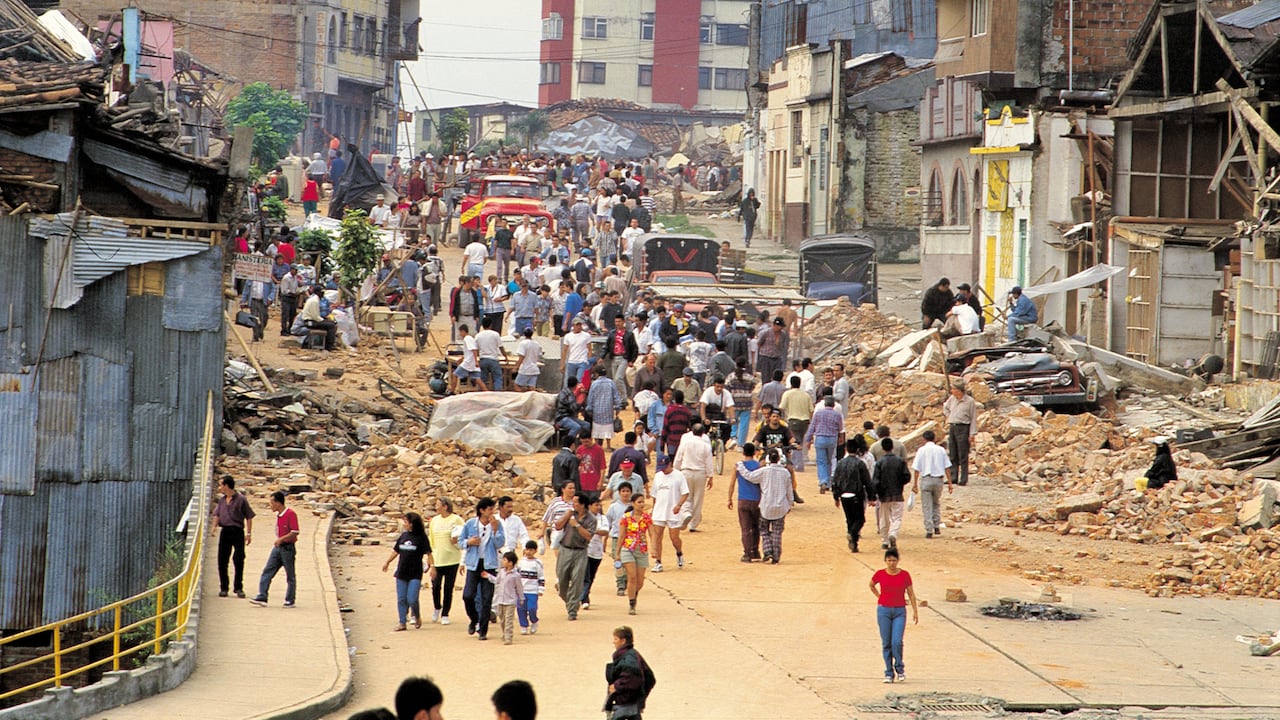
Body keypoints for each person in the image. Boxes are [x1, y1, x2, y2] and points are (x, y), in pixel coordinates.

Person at [735, 448, 795, 564]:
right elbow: (789, 490)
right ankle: (776, 555)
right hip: (780, 506)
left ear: (768, 459)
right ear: (778, 459)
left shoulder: (764, 471)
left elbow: (749, 476)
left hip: (766, 506)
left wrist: (740, 466)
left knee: (764, 530)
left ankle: (767, 551)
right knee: (777, 531)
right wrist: (790, 504)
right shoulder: (785, 473)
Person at [458, 497, 505, 640]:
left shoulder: (497, 524)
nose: (492, 512)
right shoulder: (470, 524)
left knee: (486, 598)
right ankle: (474, 619)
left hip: (489, 564)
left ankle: (483, 630)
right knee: (468, 595)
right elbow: (460, 542)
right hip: (474, 564)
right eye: (490, 509)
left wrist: (496, 530)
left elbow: (500, 543)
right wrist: (469, 542)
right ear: (482, 510)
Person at [870, 548, 918, 683]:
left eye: (894, 560)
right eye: (889, 560)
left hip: (899, 611)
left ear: (898, 561)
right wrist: (879, 596)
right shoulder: (880, 574)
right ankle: (888, 672)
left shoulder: (904, 575)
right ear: (885, 561)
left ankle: (900, 668)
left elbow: (911, 594)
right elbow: (871, 585)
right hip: (884, 610)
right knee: (886, 643)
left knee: (896, 641)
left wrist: (915, 610)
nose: (891, 563)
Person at [249, 491, 299, 608]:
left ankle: (290, 599)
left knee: (290, 575)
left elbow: (295, 532)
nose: (270, 506)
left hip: (287, 548)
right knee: (268, 570)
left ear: (278, 503)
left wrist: (281, 539)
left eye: (272, 503)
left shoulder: (290, 514)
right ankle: (262, 596)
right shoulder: (279, 515)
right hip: (278, 548)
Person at [382, 512, 431, 630]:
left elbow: (429, 553)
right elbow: (396, 550)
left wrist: (432, 566)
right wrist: (387, 562)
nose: (404, 524)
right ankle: (402, 622)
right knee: (401, 598)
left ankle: (416, 614)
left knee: (412, 598)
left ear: (412, 524)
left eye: (406, 522)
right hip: (402, 572)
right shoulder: (403, 536)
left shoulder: (421, 537)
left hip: (415, 572)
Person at [211, 475, 255, 598]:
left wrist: (249, 533)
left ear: (226, 486)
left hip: (237, 531)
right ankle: (224, 587)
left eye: (221, 485)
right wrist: (214, 527)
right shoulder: (222, 500)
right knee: (222, 560)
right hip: (225, 531)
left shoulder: (241, 499)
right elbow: (217, 514)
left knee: (239, 559)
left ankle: (238, 587)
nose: (220, 488)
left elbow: (249, 516)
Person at [555, 492, 596, 621]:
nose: (573, 504)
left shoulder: (591, 519)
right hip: (565, 550)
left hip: (580, 552)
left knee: (577, 580)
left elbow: (589, 536)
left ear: (583, 505)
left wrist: (577, 525)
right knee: (562, 580)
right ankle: (570, 601)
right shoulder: (570, 514)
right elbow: (557, 526)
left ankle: (572, 610)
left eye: (576, 502)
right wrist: (567, 516)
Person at [604, 625, 657, 720]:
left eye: (616, 639)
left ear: (623, 641)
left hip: (625, 704)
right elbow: (649, 677)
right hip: (632, 704)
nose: (613, 642)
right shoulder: (633, 655)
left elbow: (634, 677)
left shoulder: (629, 658)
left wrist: (617, 686)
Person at [648, 455, 689, 573]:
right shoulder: (658, 476)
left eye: (664, 467)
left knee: (674, 537)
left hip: (673, 511)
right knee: (657, 537)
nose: (663, 470)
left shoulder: (679, 475)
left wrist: (679, 505)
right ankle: (658, 562)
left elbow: (685, 493)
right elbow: (655, 495)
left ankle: (679, 553)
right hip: (659, 511)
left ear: (670, 464)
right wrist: (654, 508)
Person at [832, 436, 873, 552]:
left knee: (849, 519)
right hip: (857, 495)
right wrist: (871, 497)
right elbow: (867, 481)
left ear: (846, 449)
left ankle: (854, 543)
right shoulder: (860, 464)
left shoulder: (840, 463)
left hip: (844, 495)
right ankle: (853, 534)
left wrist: (836, 496)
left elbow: (835, 480)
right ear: (857, 450)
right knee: (859, 519)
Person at [427, 497, 464, 624]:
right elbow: (431, 540)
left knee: (449, 588)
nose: (436, 507)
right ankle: (437, 607)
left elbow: (463, 536)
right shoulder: (434, 521)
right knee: (435, 586)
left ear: (445, 506)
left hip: (452, 559)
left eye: (438, 505)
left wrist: (457, 542)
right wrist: (429, 558)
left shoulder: (456, 520)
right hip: (437, 559)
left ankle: (445, 613)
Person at [910, 430, 953, 539]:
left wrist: (915, 484)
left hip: (926, 479)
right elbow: (947, 467)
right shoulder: (941, 450)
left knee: (927, 505)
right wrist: (950, 483)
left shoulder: (921, 450)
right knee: (936, 503)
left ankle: (929, 529)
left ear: (924, 439)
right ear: (934, 439)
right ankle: (936, 525)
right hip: (938, 480)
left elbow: (916, 469)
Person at [673, 423, 713, 533]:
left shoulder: (685, 443)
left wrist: (675, 470)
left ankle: (686, 513)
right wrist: (710, 476)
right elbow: (708, 462)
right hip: (700, 473)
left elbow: (678, 458)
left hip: (686, 471)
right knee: (698, 498)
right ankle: (693, 524)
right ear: (702, 433)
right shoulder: (706, 445)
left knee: (686, 494)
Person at [872, 438, 910, 550]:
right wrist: (900, 483)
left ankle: (885, 541)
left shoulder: (879, 463)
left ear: (883, 448)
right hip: (897, 493)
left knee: (884, 518)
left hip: (884, 495)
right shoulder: (900, 461)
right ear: (892, 447)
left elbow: (876, 480)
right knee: (897, 517)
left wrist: (875, 494)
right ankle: (893, 533)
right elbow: (907, 476)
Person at [728, 443, 762, 562]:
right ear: (754, 453)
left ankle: (747, 553)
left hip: (743, 499)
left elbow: (732, 484)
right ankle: (755, 550)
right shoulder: (759, 466)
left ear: (743, 453)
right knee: (756, 526)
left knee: (745, 528)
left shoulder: (738, 466)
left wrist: (729, 498)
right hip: (757, 500)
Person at [805, 396, 844, 494]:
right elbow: (840, 428)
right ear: (834, 405)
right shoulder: (837, 415)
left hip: (820, 438)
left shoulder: (818, 414)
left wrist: (808, 439)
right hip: (832, 438)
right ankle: (831, 480)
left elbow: (812, 427)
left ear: (825, 404)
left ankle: (823, 481)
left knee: (821, 461)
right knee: (831, 459)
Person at [943, 382, 979, 486]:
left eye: (953, 389)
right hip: (953, 427)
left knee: (963, 454)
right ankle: (953, 477)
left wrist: (972, 433)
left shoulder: (970, 401)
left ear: (959, 390)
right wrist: (950, 416)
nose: (952, 391)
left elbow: (973, 418)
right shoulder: (952, 399)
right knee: (953, 453)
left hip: (963, 428)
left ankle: (963, 479)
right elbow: (945, 407)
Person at [580, 495, 611, 610]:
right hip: (585, 550)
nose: (598, 507)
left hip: (597, 551)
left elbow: (605, 531)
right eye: (596, 505)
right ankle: (584, 598)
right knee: (586, 575)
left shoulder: (603, 518)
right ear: (589, 506)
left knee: (591, 576)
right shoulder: (584, 517)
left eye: (599, 505)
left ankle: (584, 594)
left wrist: (592, 531)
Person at [586, 365, 624, 451]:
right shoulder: (611, 383)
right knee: (608, 427)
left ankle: (596, 445)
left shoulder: (594, 384)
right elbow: (616, 396)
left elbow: (590, 397)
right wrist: (618, 407)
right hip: (608, 410)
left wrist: (589, 408)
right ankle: (608, 445)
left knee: (597, 428)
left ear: (597, 374)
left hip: (597, 410)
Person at [779, 375, 813, 471]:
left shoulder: (787, 394)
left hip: (793, 420)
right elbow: (811, 410)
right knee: (800, 441)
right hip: (805, 422)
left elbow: (781, 407)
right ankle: (796, 461)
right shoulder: (806, 395)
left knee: (795, 442)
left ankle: (798, 464)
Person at [516, 540, 545, 635]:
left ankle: (534, 621)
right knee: (521, 609)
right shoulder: (520, 562)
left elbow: (541, 577)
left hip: (532, 591)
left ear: (535, 551)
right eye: (527, 549)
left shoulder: (537, 563)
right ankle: (523, 625)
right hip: (521, 591)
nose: (529, 552)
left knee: (532, 608)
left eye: (531, 550)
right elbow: (516, 576)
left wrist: (540, 589)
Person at [448, 323, 488, 393]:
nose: (460, 334)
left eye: (460, 332)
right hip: (470, 362)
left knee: (455, 374)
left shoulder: (467, 339)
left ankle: (452, 392)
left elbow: (474, 350)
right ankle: (487, 393)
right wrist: (462, 358)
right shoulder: (469, 339)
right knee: (477, 379)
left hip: (468, 363)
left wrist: (475, 361)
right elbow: (469, 352)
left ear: (463, 331)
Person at [493, 550, 522, 644]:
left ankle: (508, 637)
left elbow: (519, 588)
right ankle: (504, 633)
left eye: (504, 560)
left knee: (509, 620)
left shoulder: (516, 575)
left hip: (510, 601)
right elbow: (496, 581)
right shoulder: (501, 572)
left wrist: (521, 598)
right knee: (502, 620)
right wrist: (488, 576)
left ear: (510, 563)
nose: (502, 562)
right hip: (500, 600)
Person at [659, 390, 694, 463]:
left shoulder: (669, 410)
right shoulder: (687, 411)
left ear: (674, 399)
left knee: (672, 461)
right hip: (683, 441)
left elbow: (665, 428)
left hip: (672, 440)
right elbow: (690, 427)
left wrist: (662, 445)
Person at [474, 316, 507, 391]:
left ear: (482, 325)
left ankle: (481, 395)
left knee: (483, 379)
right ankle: (498, 394)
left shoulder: (478, 335)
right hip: (493, 359)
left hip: (483, 359)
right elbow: (501, 347)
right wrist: (505, 356)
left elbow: (475, 349)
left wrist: (477, 358)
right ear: (491, 325)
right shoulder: (495, 334)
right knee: (498, 378)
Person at [561, 317, 592, 387]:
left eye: (580, 325)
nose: (579, 327)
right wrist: (562, 364)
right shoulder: (568, 336)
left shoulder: (586, 336)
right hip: (571, 361)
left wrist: (589, 361)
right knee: (571, 381)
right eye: (577, 325)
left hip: (582, 361)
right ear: (573, 326)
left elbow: (589, 349)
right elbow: (565, 351)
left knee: (579, 380)